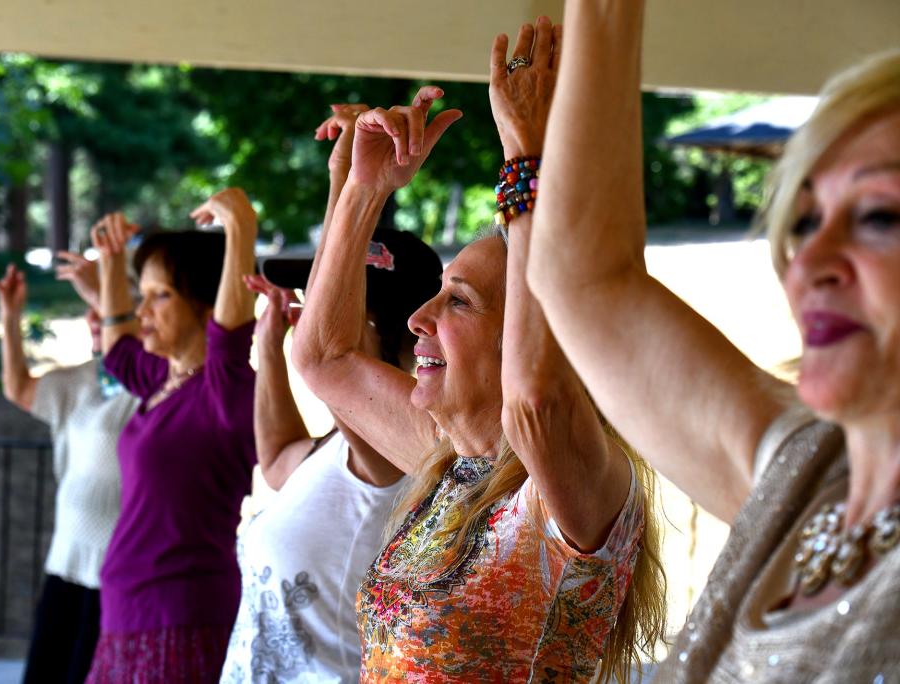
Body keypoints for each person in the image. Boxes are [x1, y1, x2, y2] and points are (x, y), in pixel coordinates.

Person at [528, 1, 900, 680]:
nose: (809, 260)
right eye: (808, 217)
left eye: (877, 215)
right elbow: (584, 279)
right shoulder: (810, 476)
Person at [291, 19, 665, 683]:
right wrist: (361, 188)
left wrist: (527, 150)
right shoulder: (452, 463)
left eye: (459, 301)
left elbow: (539, 399)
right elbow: (322, 358)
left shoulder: (568, 488)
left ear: (530, 328)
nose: (417, 319)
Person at [219, 103, 443, 684]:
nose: (308, 305)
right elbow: (276, 463)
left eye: (327, 297)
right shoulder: (346, 444)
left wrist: (348, 184)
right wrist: (269, 351)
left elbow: (329, 353)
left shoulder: (398, 449)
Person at [85, 188, 257, 683]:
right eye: (144, 295)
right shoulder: (162, 378)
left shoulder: (222, 390)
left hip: (179, 619)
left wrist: (240, 226)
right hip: (125, 614)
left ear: (207, 306)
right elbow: (118, 353)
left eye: (160, 296)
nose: (143, 312)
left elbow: (229, 337)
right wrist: (111, 263)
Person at [0, 256, 137, 684]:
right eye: (91, 308)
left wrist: (106, 294)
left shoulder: (154, 381)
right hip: (67, 560)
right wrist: (10, 315)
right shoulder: (83, 379)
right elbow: (19, 387)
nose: (95, 317)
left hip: (117, 570)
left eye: (107, 305)